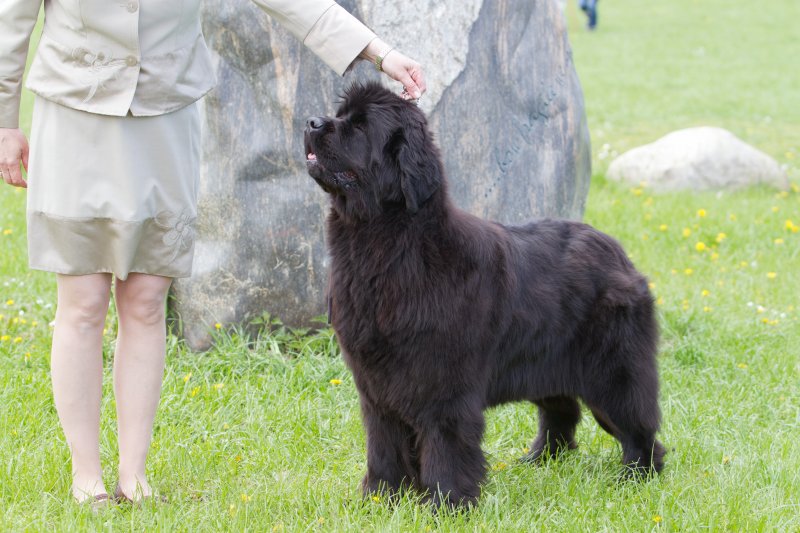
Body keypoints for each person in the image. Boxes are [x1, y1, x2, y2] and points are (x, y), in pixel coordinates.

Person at [0, 0, 425, 508]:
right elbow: (12, 16)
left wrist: (379, 52)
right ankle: (86, 478)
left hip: (165, 114)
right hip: (75, 111)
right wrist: (4, 120)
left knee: (145, 300)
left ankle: (134, 477)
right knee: (83, 301)